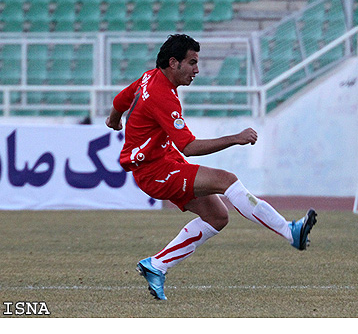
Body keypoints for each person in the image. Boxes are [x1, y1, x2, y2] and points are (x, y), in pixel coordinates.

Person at [106, 34, 317, 300]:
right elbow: (189, 146)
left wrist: (113, 120)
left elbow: (121, 100)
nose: (197, 69)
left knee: (218, 216)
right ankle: (290, 231)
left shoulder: (150, 77)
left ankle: (156, 265)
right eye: (192, 62)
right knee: (226, 180)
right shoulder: (163, 96)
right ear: (174, 63)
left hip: (163, 162)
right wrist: (234, 138)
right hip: (155, 172)